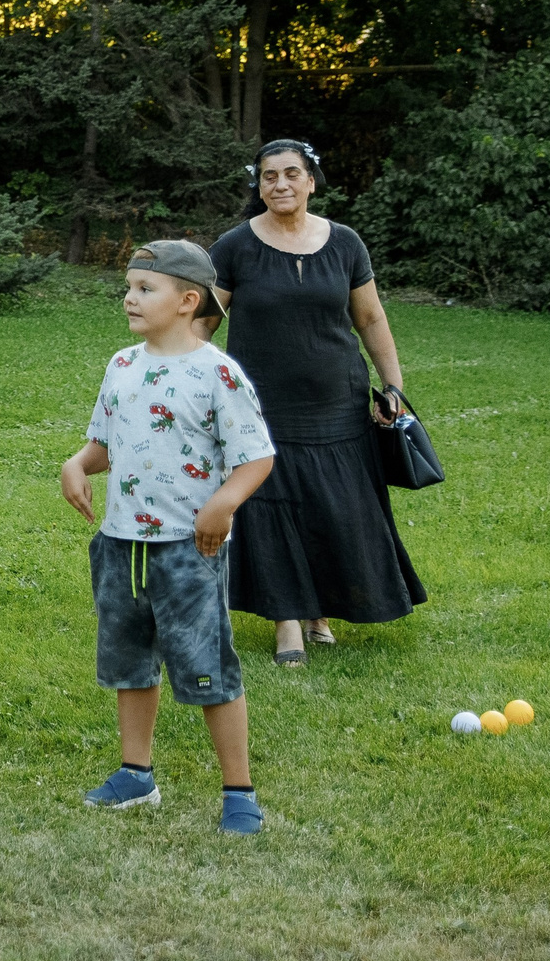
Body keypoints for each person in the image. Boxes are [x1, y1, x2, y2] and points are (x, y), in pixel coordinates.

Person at [60, 240, 276, 836]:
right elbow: (104, 442)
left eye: (144, 289)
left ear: (188, 300)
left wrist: (223, 505)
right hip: (120, 544)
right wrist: (78, 465)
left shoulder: (219, 374)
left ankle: (239, 790)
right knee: (128, 661)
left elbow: (255, 458)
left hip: (189, 548)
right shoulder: (121, 365)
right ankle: (136, 774)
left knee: (209, 667)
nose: (129, 297)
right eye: (128, 287)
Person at [208, 140, 425, 663]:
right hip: (261, 408)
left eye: (290, 174)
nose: (279, 184)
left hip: (339, 402)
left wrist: (393, 387)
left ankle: (321, 613)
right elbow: (203, 322)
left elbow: (370, 319)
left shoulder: (346, 243)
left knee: (336, 510)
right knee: (273, 511)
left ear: (310, 180)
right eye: (268, 177)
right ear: (257, 186)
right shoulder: (234, 246)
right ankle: (287, 625)